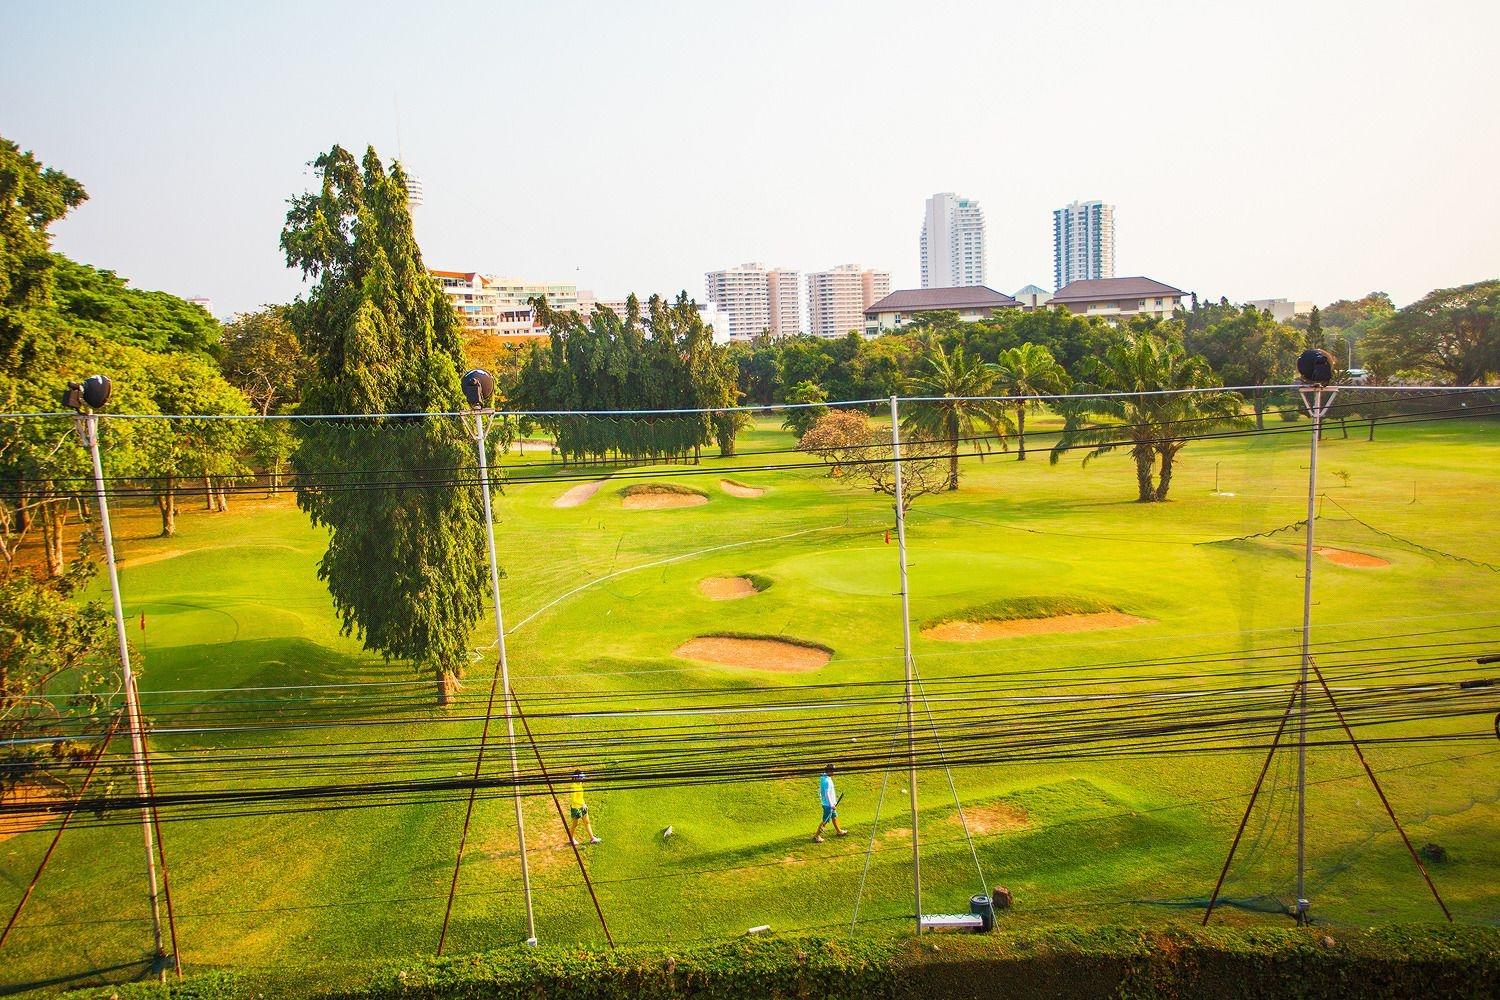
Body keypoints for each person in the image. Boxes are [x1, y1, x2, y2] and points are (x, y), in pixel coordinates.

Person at [813, 763, 846, 842]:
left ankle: (839, 831)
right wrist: (831, 805)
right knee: (825, 820)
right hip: (828, 804)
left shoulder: (824, 777)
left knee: (834, 817)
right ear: (829, 771)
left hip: (829, 803)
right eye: (833, 771)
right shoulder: (827, 781)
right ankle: (816, 836)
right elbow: (827, 793)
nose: (834, 773)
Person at [567, 771, 601, 846]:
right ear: (576, 777)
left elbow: (580, 797)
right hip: (576, 808)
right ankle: (571, 839)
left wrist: (584, 804)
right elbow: (574, 800)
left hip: (582, 806)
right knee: (574, 824)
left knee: (587, 822)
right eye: (581, 778)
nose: (582, 779)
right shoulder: (573, 786)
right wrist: (582, 804)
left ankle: (592, 838)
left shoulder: (580, 784)